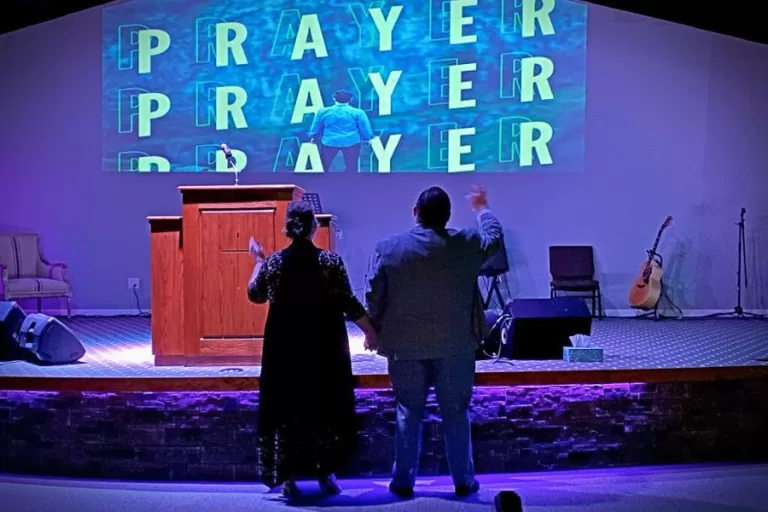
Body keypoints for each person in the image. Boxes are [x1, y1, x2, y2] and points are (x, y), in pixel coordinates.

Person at [364, 185, 503, 498]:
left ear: (415, 212)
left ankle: (402, 482)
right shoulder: (467, 243)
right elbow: (494, 236)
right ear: (449, 215)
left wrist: (374, 328)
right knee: (456, 413)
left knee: (407, 412)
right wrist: (482, 208)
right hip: (456, 345)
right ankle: (464, 481)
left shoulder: (389, 248)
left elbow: (373, 294)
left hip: (404, 346)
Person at [247, 201, 378, 500]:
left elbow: (254, 293)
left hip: (285, 349)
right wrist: (370, 330)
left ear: (287, 227)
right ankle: (325, 473)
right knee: (323, 409)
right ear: (314, 228)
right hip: (323, 347)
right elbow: (348, 302)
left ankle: (288, 477)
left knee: (288, 410)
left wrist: (258, 260)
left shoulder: (275, 263)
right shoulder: (330, 262)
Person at [308, 89, 374, 172]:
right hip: (351, 141)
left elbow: (316, 127)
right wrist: (368, 138)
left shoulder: (323, 112)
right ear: (351, 99)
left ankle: (323, 183)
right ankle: (350, 183)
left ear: (334, 98)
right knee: (351, 166)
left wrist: (313, 137)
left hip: (329, 142)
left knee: (324, 166)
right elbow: (364, 128)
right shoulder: (358, 113)